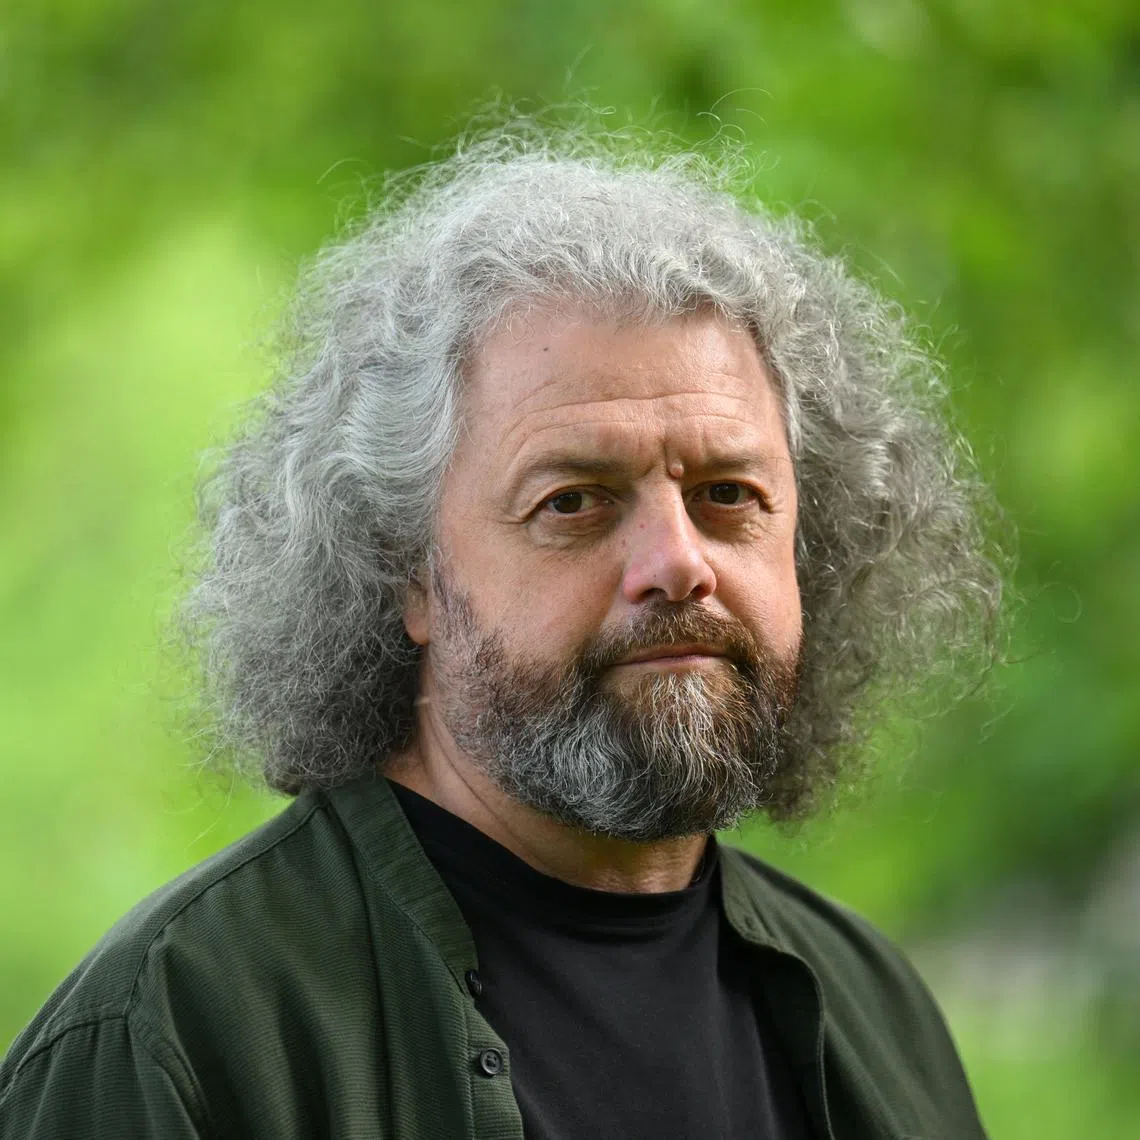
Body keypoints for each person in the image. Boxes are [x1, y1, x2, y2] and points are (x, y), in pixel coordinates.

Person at [0, 125, 1001, 1139]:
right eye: (574, 501)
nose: (678, 562)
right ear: (407, 571)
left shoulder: (876, 1008)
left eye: (729, 493)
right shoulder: (175, 1038)